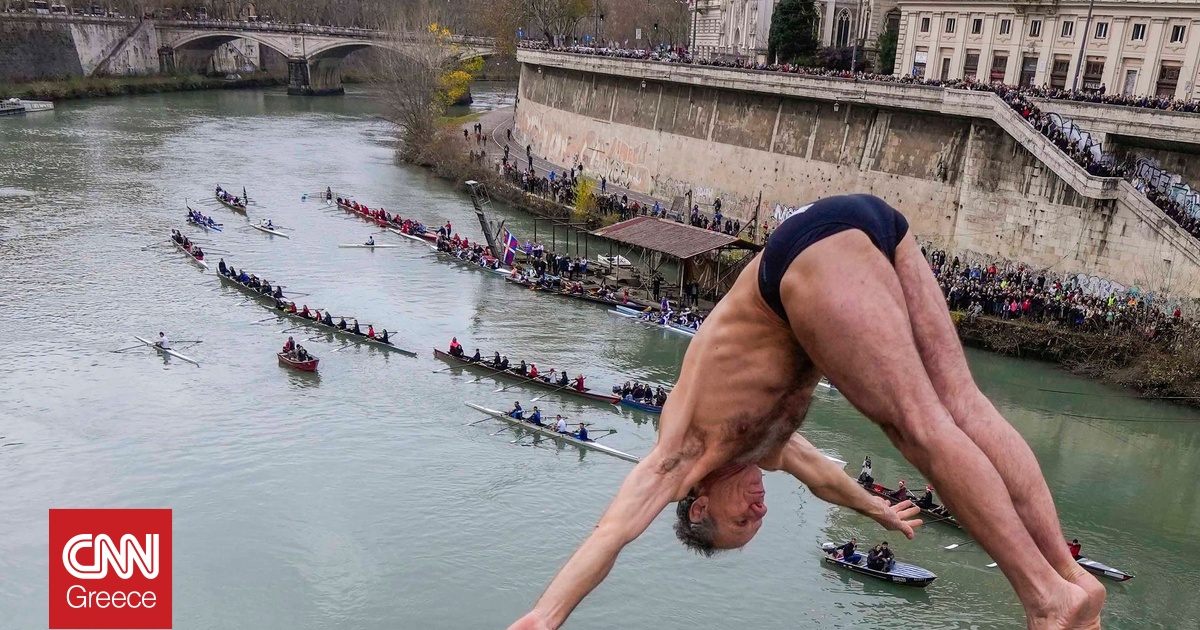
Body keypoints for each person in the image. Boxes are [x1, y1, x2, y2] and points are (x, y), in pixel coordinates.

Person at [505, 194, 1103, 630]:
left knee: (918, 426)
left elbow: (610, 535)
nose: (758, 512)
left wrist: (546, 615)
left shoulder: (680, 454)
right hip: (875, 225)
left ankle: (1044, 598)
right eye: (757, 524)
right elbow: (825, 480)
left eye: (742, 521)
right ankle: (1069, 578)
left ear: (700, 504)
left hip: (803, 258)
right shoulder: (765, 451)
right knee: (961, 402)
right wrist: (878, 511)